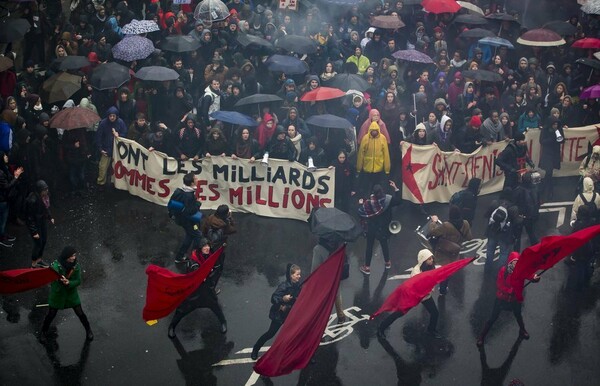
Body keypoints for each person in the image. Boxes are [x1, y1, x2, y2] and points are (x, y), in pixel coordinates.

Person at [476, 252, 540, 347]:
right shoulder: (503, 271)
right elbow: (499, 284)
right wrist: (510, 290)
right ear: (509, 262)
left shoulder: (521, 271)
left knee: (518, 315)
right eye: (513, 263)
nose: (515, 265)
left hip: (514, 299)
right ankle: (482, 336)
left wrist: (535, 278)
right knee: (492, 318)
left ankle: (522, 330)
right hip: (502, 298)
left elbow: (530, 275)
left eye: (517, 263)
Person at [168, 239, 228, 338]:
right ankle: (172, 327)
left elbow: (217, 268)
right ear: (200, 248)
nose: (207, 248)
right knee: (182, 310)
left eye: (208, 246)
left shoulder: (211, 258)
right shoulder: (193, 261)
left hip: (207, 292)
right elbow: (192, 272)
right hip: (195, 294)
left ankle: (223, 323)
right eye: (204, 246)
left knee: (215, 307)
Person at [376, 249, 441, 339]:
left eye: (431, 258)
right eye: (429, 259)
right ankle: (381, 328)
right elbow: (419, 288)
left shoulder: (431, 267)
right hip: (413, 297)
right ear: (423, 260)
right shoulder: (416, 272)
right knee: (398, 313)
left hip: (425, 296)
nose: (432, 260)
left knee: (435, 313)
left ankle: (431, 330)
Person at [39, 246, 93, 343]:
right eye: (71, 256)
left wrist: (69, 283)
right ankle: (43, 332)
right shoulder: (56, 265)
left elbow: (78, 281)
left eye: (74, 255)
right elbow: (52, 277)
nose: (73, 258)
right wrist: (59, 280)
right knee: (51, 315)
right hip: (58, 295)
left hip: (71, 295)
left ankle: (88, 330)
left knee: (80, 313)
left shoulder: (76, 266)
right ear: (66, 256)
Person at [251, 263, 302, 360]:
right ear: (291, 276)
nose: (299, 276)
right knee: (270, 333)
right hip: (280, 315)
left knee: (298, 334)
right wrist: (283, 299)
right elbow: (273, 298)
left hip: (290, 314)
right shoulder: (284, 286)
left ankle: (304, 355)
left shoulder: (298, 286)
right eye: (297, 274)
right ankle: (255, 349)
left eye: (299, 274)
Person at [358, 181, 402, 275]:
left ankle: (367, 267)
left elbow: (361, 212)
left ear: (373, 193)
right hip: (384, 227)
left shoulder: (370, 202)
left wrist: (360, 204)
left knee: (369, 246)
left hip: (372, 227)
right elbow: (398, 201)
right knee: (384, 243)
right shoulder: (388, 200)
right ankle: (387, 262)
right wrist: (395, 188)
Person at [429, 205, 472, 294]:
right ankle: (443, 289)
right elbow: (469, 237)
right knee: (448, 271)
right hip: (455, 252)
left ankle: (436, 288)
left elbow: (432, 232)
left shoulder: (446, 225)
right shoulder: (465, 223)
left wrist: (434, 222)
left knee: (441, 270)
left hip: (443, 252)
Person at [311, 236, 346, 324]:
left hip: (324, 279)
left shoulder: (318, 249)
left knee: (322, 300)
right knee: (337, 293)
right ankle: (341, 315)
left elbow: (315, 268)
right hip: (336, 275)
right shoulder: (340, 244)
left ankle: (321, 324)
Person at [483, 188, 519, 272]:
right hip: (505, 234)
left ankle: (487, 268)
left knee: (490, 250)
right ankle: (501, 271)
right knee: (504, 253)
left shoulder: (495, 203)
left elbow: (486, 215)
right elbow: (517, 222)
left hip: (492, 231)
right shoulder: (514, 208)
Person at [170, 173, 203, 264]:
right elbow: (190, 211)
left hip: (182, 219)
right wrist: (198, 203)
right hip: (188, 221)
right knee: (198, 235)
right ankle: (194, 256)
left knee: (190, 235)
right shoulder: (189, 196)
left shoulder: (180, 191)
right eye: (195, 178)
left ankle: (180, 256)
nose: (197, 179)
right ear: (192, 183)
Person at [356, 122, 391, 197]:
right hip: (367, 167)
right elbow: (361, 154)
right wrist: (359, 168)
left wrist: (387, 168)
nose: (374, 132)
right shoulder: (365, 138)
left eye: (376, 130)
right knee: (367, 187)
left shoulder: (382, 138)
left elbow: (386, 154)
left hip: (379, 168)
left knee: (377, 186)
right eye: (373, 130)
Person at [95, 107, 127, 187]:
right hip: (106, 149)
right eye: (110, 116)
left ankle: (116, 184)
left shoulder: (120, 122)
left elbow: (125, 134)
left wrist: (118, 135)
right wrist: (100, 149)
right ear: (108, 116)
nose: (112, 117)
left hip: (117, 150)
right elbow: (98, 137)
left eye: (114, 116)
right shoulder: (103, 123)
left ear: (116, 116)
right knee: (103, 168)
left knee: (118, 168)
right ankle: (101, 183)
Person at [25, 180, 54, 268]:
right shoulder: (32, 200)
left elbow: (46, 208)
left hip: (42, 221)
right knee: (38, 243)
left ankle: (39, 260)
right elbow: (29, 218)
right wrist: (34, 232)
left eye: (46, 189)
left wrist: (50, 217)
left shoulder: (44, 197)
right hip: (36, 223)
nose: (46, 191)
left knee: (44, 241)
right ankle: (33, 264)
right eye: (44, 190)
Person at [0, 151, 23, 247]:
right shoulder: (0, 172)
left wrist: (14, 176)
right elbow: (6, 186)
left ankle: (3, 235)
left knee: (4, 220)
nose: (6, 157)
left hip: (5, 199)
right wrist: (16, 177)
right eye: (4, 155)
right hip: (2, 200)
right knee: (2, 220)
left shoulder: (4, 168)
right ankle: (1, 238)